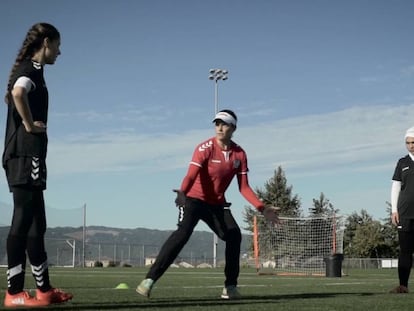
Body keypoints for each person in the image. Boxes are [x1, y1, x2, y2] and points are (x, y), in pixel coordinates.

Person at [136, 109, 279, 299]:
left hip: (217, 205)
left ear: (233, 128)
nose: (219, 128)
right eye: (217, 123)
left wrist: (263, 208)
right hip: (193, 201)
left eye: (224, 124)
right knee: (183, 233)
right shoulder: (204, 148)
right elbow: (190, 175)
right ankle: (149, 281)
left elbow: (244, 187)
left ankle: (230, 287)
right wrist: (183, 192)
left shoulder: (239, 154)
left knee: (234, 235)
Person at [2, 22, 73, 307]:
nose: (59, 51)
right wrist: (30, 125)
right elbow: (18, 93)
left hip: (30, 156)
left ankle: (43, 290)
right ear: (46, 42)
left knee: (37, 224)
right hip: (23, 155)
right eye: (57, 45)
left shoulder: (35, 72)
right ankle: (14, 292)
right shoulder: (29, 71)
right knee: (22, 219)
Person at [390, 126, 414, 294]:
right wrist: (394, 210)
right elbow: (396, 187)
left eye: (413, 142)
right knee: (405, 251)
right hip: (404, 214)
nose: (411, 145)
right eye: (408, 143)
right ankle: (403, 286)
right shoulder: (402, 162)